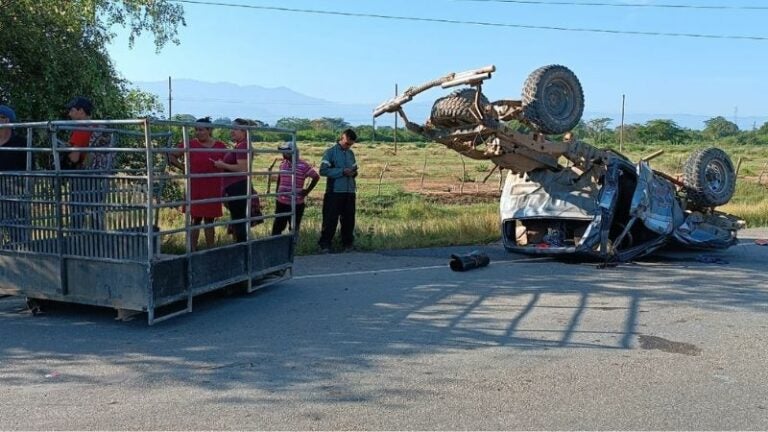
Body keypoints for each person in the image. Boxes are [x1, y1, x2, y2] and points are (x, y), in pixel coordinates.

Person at [168, 117, 227, 251]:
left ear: (209, 130)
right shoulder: (190, 144)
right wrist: (184, 168)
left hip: (213, 186)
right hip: (195, 187)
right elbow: (171, 156)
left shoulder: (220, 146)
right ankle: (192, 250)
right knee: (195, 219)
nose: (198, 132)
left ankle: (210, 250)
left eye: (201, 130)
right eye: (196, 130)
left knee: (210, 220)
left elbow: (229, 163)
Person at [213, 118, 259, 243]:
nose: (231, 131)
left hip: (237, 186)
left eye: (235, 129)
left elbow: (243, 168)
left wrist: (223, 165)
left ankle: (241, 249)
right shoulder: (241, 145)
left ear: (244, 131)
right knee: (238, 220)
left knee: (238, 220)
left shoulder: (243, 145)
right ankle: (240, 248)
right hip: (236, 186)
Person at [317, 128, 358, 253]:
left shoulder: (351, 154)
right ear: (342, 138)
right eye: (347, 143)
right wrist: (341, 171)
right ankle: (325, 245)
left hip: (349, 191)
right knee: (330, 219)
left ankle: (347, 244)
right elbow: (323, 171)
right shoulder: (330, 152)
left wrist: (353, 173)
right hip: (334, 192)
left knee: (349, 220)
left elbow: (355, 170)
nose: (348, 146)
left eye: (351, 144)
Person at [271, 141, 319, 237]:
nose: (284, 154)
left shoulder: (303, 165)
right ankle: (275, 246)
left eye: (286, 152)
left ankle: (292, 247)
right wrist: (277, 191)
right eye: (283, 152)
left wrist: (307, 191)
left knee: (293, 227)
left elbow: (316, 177)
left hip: (296, 202)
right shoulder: (283, 164)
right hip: (282, 201)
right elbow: (280, 177)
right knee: (277, 227)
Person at [0, 105, 29, 244]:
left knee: (17, 232)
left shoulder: (21, 143)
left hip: (14, 192)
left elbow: (30, 169)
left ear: (7, 121)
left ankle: (22, 255)